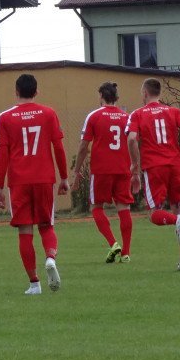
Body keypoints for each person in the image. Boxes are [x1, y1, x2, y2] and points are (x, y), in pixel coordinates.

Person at [0, 73, 70, 295]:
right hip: (45, 178)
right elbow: (59, 148)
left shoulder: (5, 117)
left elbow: (3, 155)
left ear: (16, 91)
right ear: (36, 92)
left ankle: (34, 283)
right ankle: (50, 257)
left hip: (19, 181)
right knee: (46, 225)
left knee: (25, 231)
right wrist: (64, 177)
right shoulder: (49, 113)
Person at [125, 77, 180, 271]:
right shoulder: (173, 111)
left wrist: (134, 166)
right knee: (179, 207)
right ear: (159, 93)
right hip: (176, 165)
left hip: (155, 167)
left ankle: (175, 221)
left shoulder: (138, 114)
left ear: (145, 93)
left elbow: (132, 139)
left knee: (153, 213)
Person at [72, 81, 133, 263]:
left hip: (101, 170)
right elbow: (134, 142)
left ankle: (113, 243)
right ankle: (126, 253)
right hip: (123, 168)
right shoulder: (126, 117)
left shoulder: (94, 116)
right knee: (124, 208)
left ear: (101, 96)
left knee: (96, 207)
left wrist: (76, 170)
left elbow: (84, 146)